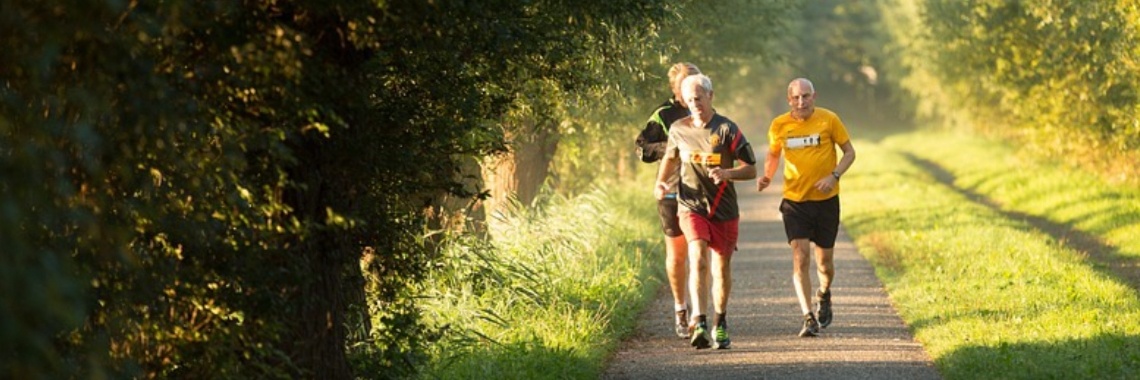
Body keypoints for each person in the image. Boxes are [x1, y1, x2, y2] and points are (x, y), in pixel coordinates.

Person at [654, 74, 757, 349]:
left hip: (723, 209)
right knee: (697, 255)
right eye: (689, 100)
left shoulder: (727, 129)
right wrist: (661, 182)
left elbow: (751, 169)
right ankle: (698, 320)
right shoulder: (678, 129)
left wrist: (727, 172)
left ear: (711, 96)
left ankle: (719, 322)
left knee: (721, 268)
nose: (695, 104)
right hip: (691, 205)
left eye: (699, 98)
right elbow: (670, 157)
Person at [756, 78, 856, 337]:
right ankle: (807, 316)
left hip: (826, 202)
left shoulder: (828, 119)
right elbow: (774, 154)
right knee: (800, 257)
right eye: (797, 97)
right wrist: (767, 176)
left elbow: (849, 153)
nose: (802, 101)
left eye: (806, 96)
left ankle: (824, 293)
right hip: (794, 202)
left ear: (814, 96)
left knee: (825, 264)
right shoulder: (779, 125)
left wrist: (833, 176)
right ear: (789, 100)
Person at [635, 62, 702, 339]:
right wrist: (673, 149)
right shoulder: (663, 115)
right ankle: (680, 308)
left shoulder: (703, 109)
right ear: (674, 88)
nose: (690, 89)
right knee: (678, 255)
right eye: (684, 84)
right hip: (672, 191)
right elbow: (643, 149)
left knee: (699, 253)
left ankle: (700, 314)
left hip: (700, 191)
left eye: (694, 82)